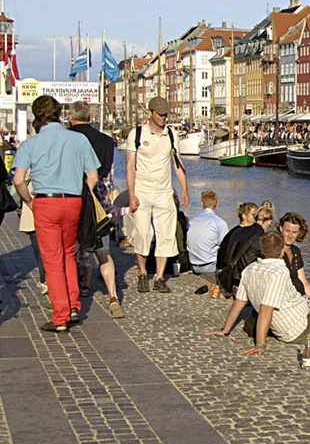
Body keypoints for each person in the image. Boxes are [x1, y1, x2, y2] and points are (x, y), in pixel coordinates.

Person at [11, 96, 99, 333]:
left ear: (36, 117)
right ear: (60, 113)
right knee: (68, 253)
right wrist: (81, 194)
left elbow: (18, 180)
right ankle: (73, 305)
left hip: (46, 201)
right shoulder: (78, 139)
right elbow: (93, 176)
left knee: (52, 259)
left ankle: (60, 315)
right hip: (72, 201)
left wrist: (29, 201)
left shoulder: (31, 144)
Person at [204, 232, 310, 355]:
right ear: (281, 251)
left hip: (296, 319)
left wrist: (225, 330)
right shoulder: (280, 273)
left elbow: (239, 302)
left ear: (262, 251)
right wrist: (260, 344)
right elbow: (266, 309)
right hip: (302, 325)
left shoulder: (249, 269)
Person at [126, 96, 189, 294]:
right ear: (150, 113)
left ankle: (159, 277)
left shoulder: (171, 135)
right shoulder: (136, 135)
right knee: (143, 233)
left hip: (164, 191)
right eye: (160, 114)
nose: (163, 117)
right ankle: (142, 273)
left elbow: (177, 164)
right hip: (142, 190)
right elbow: (129, 166)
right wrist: (131, 194)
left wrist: (184, 188)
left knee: (166, 235)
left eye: (165, 114)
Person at [67, 101, 121, 316]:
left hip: (72, 197)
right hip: (98, 202)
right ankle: (113, 296)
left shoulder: (68, 139)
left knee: (69, 251)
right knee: (103, 252)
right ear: (90, 118)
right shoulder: (107, 142)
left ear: (71, 118)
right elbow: (108, 178)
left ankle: (71, 298)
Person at [217, 201, 275, 295]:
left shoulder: (239, 230)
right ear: (269, 221)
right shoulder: (262, 238)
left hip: (231, 278)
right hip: (243, 282)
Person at [278, 212, 310, 301]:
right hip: (285, 299)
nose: (290, 236)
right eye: (287, 231)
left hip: (300, 298)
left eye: (294, 232)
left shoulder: (295, 251)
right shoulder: (274, 251)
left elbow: (304, 283)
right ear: (280, 228)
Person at [186, 190, 229, 275]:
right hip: (210, 265)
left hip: (193, 264)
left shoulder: (191, 221)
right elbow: (226, 246)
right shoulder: (219, 222)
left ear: (201, 204)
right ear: (217, 204)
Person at [216, 201, 257, 270]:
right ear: (244, 216)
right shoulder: (235, 234)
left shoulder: (234, 231)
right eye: (254, 215)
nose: (256, 217)